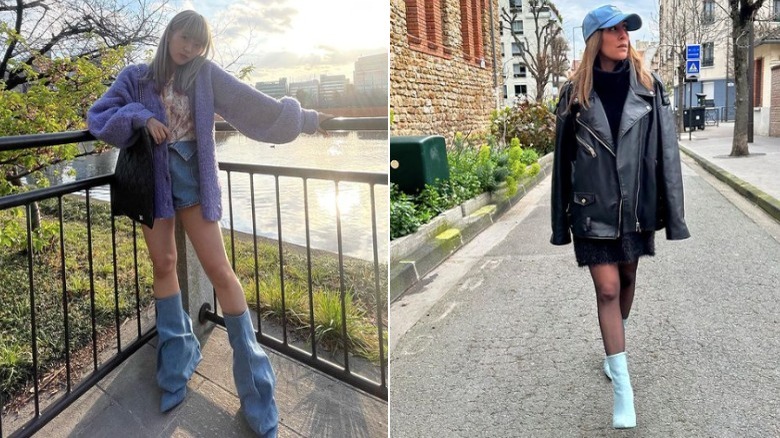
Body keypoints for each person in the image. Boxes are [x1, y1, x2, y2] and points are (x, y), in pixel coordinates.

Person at [87, 10, 332, 438]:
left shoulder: (205, 74)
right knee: (164, 264)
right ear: (170, 35)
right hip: (153, 184)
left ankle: (257, 388)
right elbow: (99, 116)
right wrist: (141, 119)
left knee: (220, 271)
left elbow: (254, 107)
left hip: (195, 182)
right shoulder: (137, 76)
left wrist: (306, 120)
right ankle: (177, 365)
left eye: (199, 44)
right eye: (185, 39)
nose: (190, 49)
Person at [550, 4, 690, 429]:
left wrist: (673, 214)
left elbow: (668, 153)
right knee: (608, 288)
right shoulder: (574, 94)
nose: (623, 36)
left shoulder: (650, 86)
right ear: (596, 39)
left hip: (635, 209)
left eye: (626, 29)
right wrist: (561, 224)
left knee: (627, 279)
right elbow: (562, 164)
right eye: (612, 30)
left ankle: (615, 350)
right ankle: (623, 386)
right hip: (592, 209)